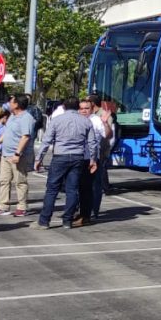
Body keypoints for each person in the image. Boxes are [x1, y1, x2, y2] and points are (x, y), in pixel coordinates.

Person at [33, 97, 99, 229]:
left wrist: (39, 158)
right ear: (77, 107)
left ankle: (44, 221)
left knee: (52, 190)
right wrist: (93, 160)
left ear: (64, 107)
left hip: (60, 156)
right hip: (78, 157)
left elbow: (46, 141)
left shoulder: (56, 120)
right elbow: (93, 143)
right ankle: (67, 221)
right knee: (72, 190)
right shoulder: (86, 122)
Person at [0, 94, 35, 217]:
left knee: (20, 181)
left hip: (17, 156)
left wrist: (17, 153)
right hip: (5, 154)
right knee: (4, 181)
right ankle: (3, 206)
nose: (9, 104)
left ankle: (21, 207)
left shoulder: (26, 118)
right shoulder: (12, 116)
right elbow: (7, 132)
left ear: (17, 105)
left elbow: (25, 137)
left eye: (11, 102)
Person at [88, 93, 115, 215]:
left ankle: (95, 208)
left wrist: (104, 122)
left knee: (99, 176)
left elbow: (108, 134)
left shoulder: (104, 115)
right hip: (88, 153)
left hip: (101, 149)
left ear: (92, 103)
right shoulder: (88, 115)